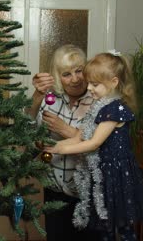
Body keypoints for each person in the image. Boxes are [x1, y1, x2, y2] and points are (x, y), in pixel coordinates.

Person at [44, 52, 143, 241]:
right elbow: (80, 137)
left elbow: (94, 143)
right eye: (89, 83)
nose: (89, 88)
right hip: (102, 174)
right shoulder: (99, 106)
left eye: (95, 84)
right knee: (103, 226)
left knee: (123, 227)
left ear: (114, 82)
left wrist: (60, 150)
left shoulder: (116, 108)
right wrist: (53, 145)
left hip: (116, 175)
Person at [28, 44, 100, 240]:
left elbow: (100, 147)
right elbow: (27, 129)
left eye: (79, 71)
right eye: (67, 74)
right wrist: (37, 95)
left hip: (88, 194)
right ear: (57, 76)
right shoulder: (51, 99)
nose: (75, 79)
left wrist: (64, 129)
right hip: (55, 192)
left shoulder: (98, 100)